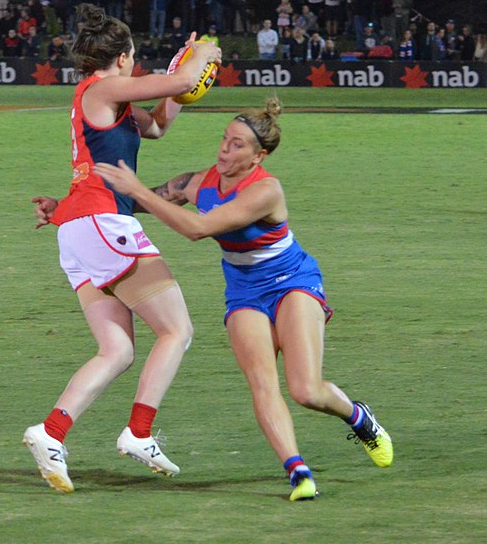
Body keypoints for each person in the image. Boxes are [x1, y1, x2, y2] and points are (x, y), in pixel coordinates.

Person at [93, 98, 394, 501]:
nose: (224, 149)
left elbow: (198, 229)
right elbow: (128, 202)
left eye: (237, 145)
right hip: (244, 290)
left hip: (292, 281)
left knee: (305, 390)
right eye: (224, 139)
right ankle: (297, 472)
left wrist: (137, 192)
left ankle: (359, 417)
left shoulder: (265, 191)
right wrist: (65, 209)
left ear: (259, 156)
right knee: (262, 383)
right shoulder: (196, 183)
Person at [24, 3, 221, 493]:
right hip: (101, 225)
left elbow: (159, 123)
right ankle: (138, 432)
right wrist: (202, 52)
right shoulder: (104, 86)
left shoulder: (110, 99)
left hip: (82, 227)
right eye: (135, 57)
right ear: (124, 57)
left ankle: (49, 434)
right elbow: (177, 83)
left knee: (117, 349)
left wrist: (183, 77)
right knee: (176, 330)